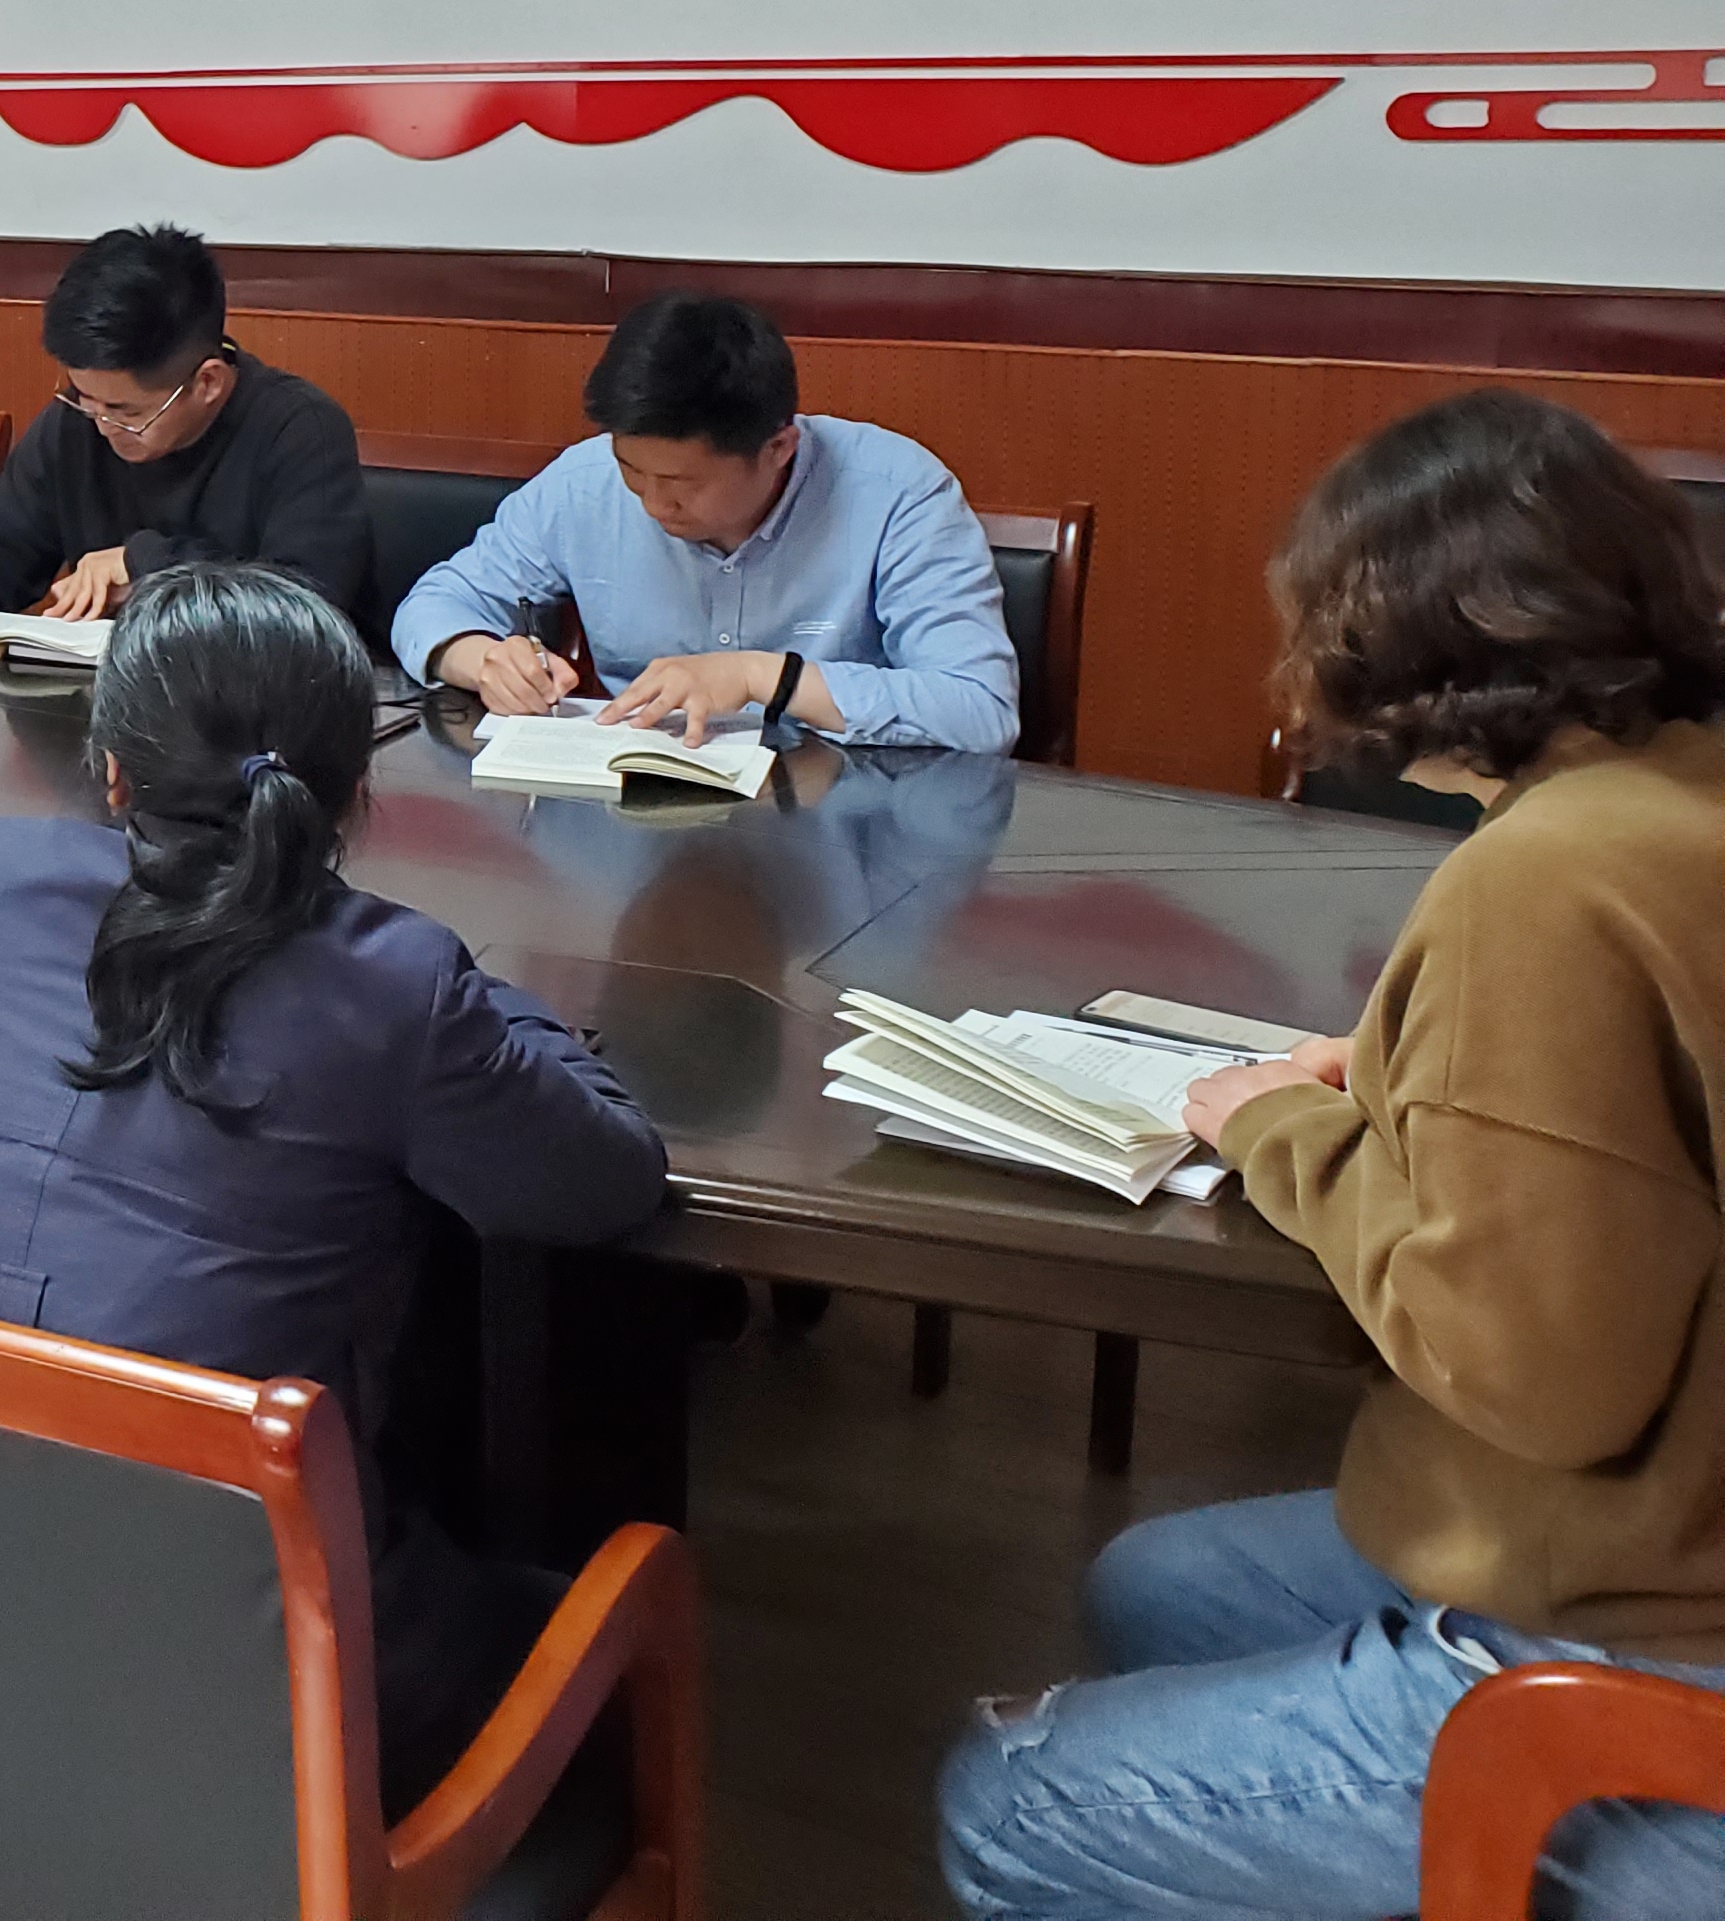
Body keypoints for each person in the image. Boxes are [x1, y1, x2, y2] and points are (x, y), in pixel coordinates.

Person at [940, 390, 1725, 1921]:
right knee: (1154, 1587)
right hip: (1662, 1527)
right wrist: (1396, 1071)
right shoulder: (1678, 790)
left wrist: (1276, 1124)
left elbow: (1538, 1376)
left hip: (1641, 1630)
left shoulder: (1549, 878)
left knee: (1007, 1802)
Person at [0, 560, 667, 1806]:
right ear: (353, 791)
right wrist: (493, 1007)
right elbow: (605, 1180)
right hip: (257, 1682)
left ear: (114, 771)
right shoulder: (394, 984)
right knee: (604, 1628)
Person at [395, 291, 1019, 752]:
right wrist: (483, 659)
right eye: (632, 471)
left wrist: (760, 676)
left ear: (778, 449)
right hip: (634, 813)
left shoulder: (898, 494)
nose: (651, 503)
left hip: (837, 823)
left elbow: (980, 709)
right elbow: (435, 604)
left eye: (682, 485)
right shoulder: (584, 482)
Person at [0, 223, 379, 644]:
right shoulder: (77, 421)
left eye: (126, 411)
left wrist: (143, 564)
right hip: (103, 702)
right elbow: (1, 545)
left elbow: (303, 606)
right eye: (84, 398)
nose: (102, 425)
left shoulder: (299, 429)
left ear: (208, 383)